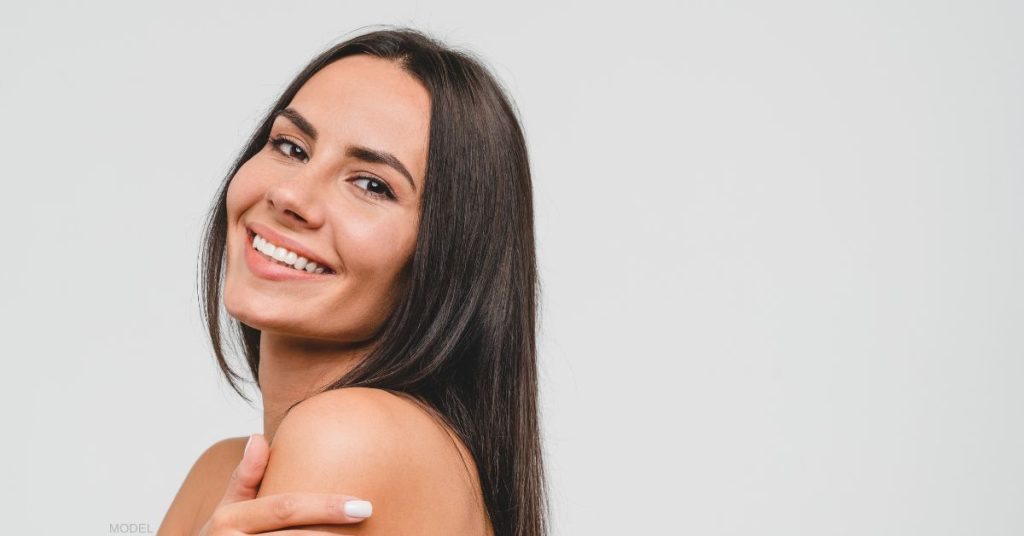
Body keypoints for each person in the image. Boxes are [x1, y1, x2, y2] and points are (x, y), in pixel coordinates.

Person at [157, 27, 548, 535]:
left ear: (445, 260)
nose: (291, 196)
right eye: (291, 147)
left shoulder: (349, 437)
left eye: (371, 184)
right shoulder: (219, 473)